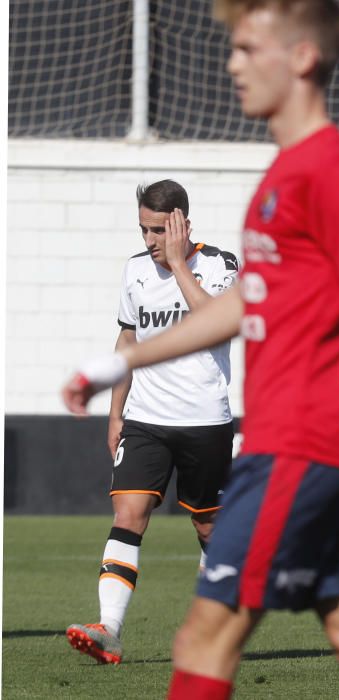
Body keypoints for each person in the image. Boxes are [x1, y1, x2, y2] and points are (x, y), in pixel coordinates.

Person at [62, 1, 339, 698]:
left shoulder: (334, 174)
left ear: (301, 57)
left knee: (205, 640)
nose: (231, 64)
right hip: (299, 449)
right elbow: (245, 309)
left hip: (301, 449)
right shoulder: (282, 178)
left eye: (246, 49)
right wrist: (119, 364)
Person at [66, 179, 239, 665]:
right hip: (145, 419)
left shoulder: (220, 265)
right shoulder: (135, 270)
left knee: (210, 529)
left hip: (206, 421)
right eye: (144, 229)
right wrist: (116, 411)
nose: (149, 240)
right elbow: (129, 343)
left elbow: (217, 320)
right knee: (128, 516)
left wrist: (180, 263)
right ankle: (109, 631)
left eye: (159, 229)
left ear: (182, 222)